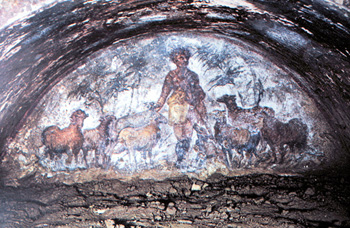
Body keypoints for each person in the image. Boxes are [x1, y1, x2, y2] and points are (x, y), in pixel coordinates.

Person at [155, 48, 207, 166]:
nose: (184, 60)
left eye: (185, 58)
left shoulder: (193, 75)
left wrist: (196, 99)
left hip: (190, 104)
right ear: (175, 60)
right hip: (177, 105)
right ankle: (180, 159)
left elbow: (199, 91)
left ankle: (185, 158)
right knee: (179, 133)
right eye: (180, 58)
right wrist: (157, 106)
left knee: (188, 131)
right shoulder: (171, 75)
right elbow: (164, 93)